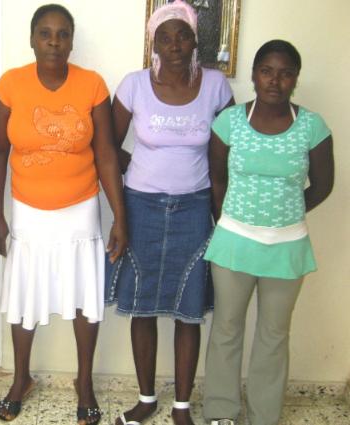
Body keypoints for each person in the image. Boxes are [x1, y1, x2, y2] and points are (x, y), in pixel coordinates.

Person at [0, 4, 127, 425]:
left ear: (71, 41)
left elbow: (106, 154)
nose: (54, 41)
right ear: (32, 39)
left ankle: (84, 383)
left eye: (63, 34)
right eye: (45, 33)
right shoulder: (10, 84)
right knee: (25, 297)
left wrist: (120, 217)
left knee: (85, 297)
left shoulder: (92, 85)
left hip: (80, 209)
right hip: (28, 210)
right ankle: (21, 379)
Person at [105, 1, 234, 424]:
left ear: (195, 40)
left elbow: (228, 151)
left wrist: (223, 213)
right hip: (140, 206)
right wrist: (135, 179)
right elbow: (108, 148)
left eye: (183, 36)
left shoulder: (216, 86)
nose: (174, 44)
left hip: (195, 209)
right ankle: (146, 399)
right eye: (165, 37)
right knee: (142, 306)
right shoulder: (133, 85)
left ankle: (181, 406)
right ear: (154, 44)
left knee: (188, 310)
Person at [202, 40, 334, 425]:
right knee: (226, 329)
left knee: (274, 335)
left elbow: (323, 185)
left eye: (285, 73)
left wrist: (284, 213)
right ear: (254, 75)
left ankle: (264, 416)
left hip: (287, 248)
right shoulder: (229, 123)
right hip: (233, 245)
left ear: (296, 79)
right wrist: (233, 218)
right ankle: (222, 412)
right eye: (266, 71)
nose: (275, 80)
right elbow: (216, 179)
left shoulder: (312, 127)